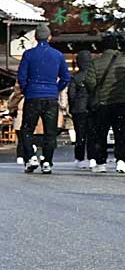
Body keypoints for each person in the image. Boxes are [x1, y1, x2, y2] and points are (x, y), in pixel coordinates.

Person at [17, 24, 71, 174]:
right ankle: (47, 161)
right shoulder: (57, 55)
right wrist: (56, 88)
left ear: (35, 37)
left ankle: (30, 157)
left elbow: (21, 77)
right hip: (51, 97)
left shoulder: (28, 54)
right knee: (50, 131)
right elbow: (66, 77)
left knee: (27, 129)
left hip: (33, 95)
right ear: (49, 37)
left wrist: (27, 90)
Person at [85, 35, 125, 174]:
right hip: (121, 102)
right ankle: (121, 161)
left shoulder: (95, 62)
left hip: (102, 103)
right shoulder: (122, 59)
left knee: (101, 133)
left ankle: (101, 162)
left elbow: (90, 82)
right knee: (121, 132)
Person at [66, 50, 94, 169]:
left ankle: (80, 158)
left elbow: (71, 95)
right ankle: (93, 157)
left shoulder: (75, 77)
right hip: (93, 108)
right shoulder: (94, 75)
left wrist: (72, 108)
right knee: (93, 134)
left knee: (80, 135)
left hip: (79, 109)